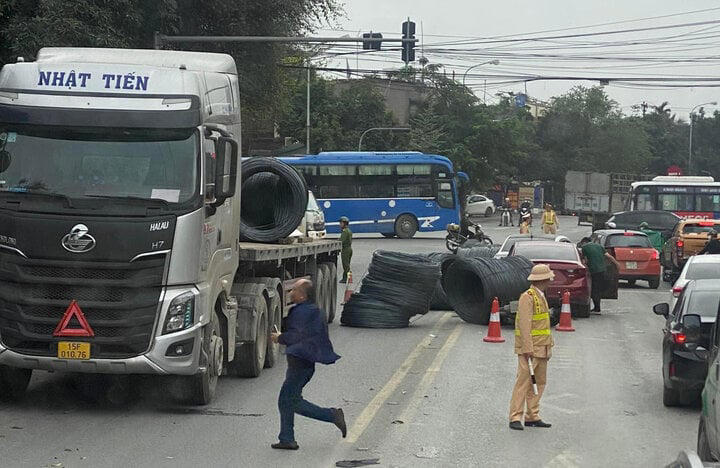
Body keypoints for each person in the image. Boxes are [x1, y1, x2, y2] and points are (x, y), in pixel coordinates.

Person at [270, 279, 346, 450]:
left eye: (294, 290)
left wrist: (279, 338)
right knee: (290, 400)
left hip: (300, 364)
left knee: (287, 400)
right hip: (303, 363)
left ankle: (331, 415)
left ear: (302, 295)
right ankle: (287, 438)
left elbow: (297, 336)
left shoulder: (302, 312)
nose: (291, 293)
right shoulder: (313, 310)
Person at [509, 264, 555, 431]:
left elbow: (542, 324)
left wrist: (548, 345)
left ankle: (532, 415)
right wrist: (527, 347)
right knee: (523, 382)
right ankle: (515, 416)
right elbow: (525, 323)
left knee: (539, 382)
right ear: (543, 279)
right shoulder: (527, 297)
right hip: (530, 349)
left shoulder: (540, 296)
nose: (550, 280)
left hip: (542, 347)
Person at [579, 237, 620, 313]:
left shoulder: (584, 248)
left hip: (593, 271)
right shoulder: (599, 246)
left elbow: (585, 260)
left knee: (594, 290)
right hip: (602, 270)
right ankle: (597, 307)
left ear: (583, 242)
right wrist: (617, 264)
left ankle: (597, 308)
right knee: (598, 289)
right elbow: (609, 257)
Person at [339, 216, 352, 283]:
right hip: (349, 249)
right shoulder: (348, 230)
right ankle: (345, 278)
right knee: (347, 265)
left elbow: (341, 241)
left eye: (341, 223)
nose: (340, 224)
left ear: (345, 223)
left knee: (346, 266)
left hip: (345, 250)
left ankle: (349, 278)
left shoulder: (345, 232)